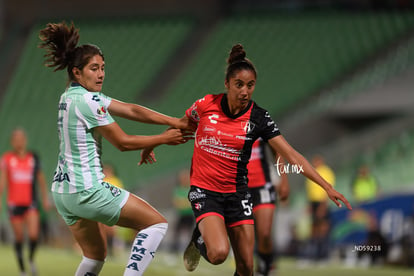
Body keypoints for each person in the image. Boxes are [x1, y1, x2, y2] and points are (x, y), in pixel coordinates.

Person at [140, 43, 352, 276]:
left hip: (238, 193)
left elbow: (290, 154)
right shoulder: (206, 105)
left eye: (250, 86)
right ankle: (200, 241)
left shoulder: (258, 117)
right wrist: (152, 143)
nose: (245, 91)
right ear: (227, 84)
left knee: (246, 267)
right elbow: (180, 127)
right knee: (219, 254)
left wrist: (326, 186)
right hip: (205, 191)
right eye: (239, 85)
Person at [38, 21, 194, 276]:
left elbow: (131, 109)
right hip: (87, 190)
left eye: (102, 68)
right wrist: (162, 138)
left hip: (63, 193)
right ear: (77, 73)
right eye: (94, 69)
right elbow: (122, 142)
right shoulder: (89, 101)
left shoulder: (69, 96)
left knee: (95, 256)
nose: (101, 74)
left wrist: (173, 121)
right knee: (156, 224)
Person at [0, 127, 51, 276]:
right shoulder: (7, 158)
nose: (19, 142)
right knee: (19, 237)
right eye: (15, 139)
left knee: (34, 235)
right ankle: (22, 270)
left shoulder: (33, 158)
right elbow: (2, 181)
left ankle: (31, 259)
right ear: (12, 142)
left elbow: (41, 181)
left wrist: (45, 199)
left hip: (31, 203)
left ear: (25, 140)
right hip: (14, 204)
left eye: (21, 139)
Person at [247, 138, 289, 276]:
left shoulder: (260, 122)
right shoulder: (228, 123)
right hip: (240, 188)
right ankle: (259, 263)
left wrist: (283, 181)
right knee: (247, 236)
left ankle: (266, 265)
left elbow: (277, 152)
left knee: (264, 233)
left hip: (263, 187)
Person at [303, 155, 336, 265]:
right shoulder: (312, 171)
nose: (314, 163)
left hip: (322, 202)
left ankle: (324, 256)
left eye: (316, 161)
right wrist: (309, 205)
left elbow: (328, 189)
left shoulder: (326, 172)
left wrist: (323, 206)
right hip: (313, 203)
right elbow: (310, 190)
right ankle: (313, 256)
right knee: (314, 230)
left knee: (323, 229)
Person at [102, 163, 125, 256]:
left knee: (111, 230)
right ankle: (104, 250)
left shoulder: (116, 181)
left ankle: (111, 250)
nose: (106, 171)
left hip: (112, 208)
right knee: (103, 230)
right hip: (101, 208)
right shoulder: (101, 180)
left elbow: (120, 194)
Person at [171, 168, 195, 252]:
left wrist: (183, 203)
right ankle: (174, 250)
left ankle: (192, 250)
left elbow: (191, 203)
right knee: (176, 232)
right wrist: (184, 203)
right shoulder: (178, 190)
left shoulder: (191, 190)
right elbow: (176, 203)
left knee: (190, 234)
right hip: (181, 215)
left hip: (189, 215)